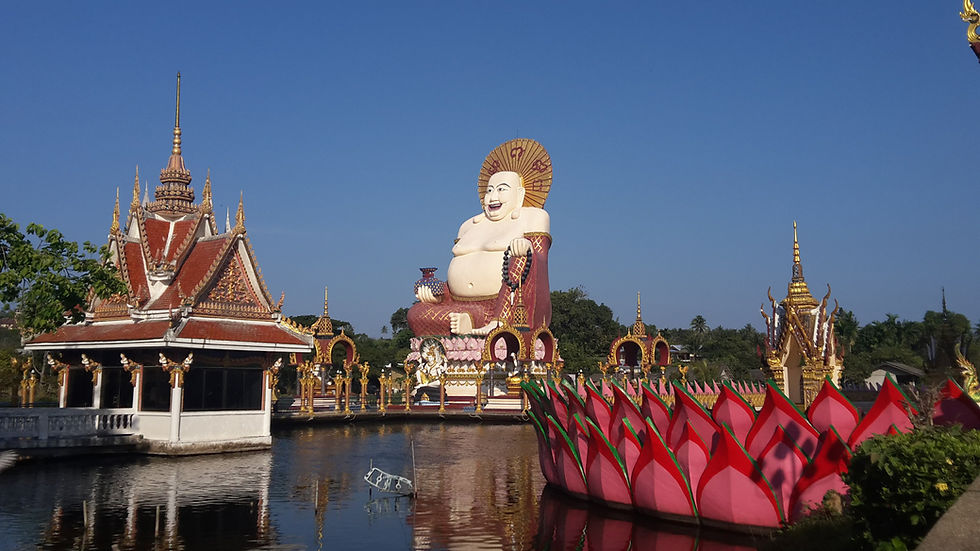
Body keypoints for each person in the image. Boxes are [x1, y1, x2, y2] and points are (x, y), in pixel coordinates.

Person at [407, 139, 553, 336]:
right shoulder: (468, 226)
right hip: (458, 306)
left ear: (519, 194)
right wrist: (438, 294)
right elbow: (457, 277)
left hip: (505, 306)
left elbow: (540, 260)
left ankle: (496, 322)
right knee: (415, 313)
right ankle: (472, 320)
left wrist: (527, 247)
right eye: (489, 190)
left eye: (501, 189)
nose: (493, 196)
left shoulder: (532, 217)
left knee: (524, 255)